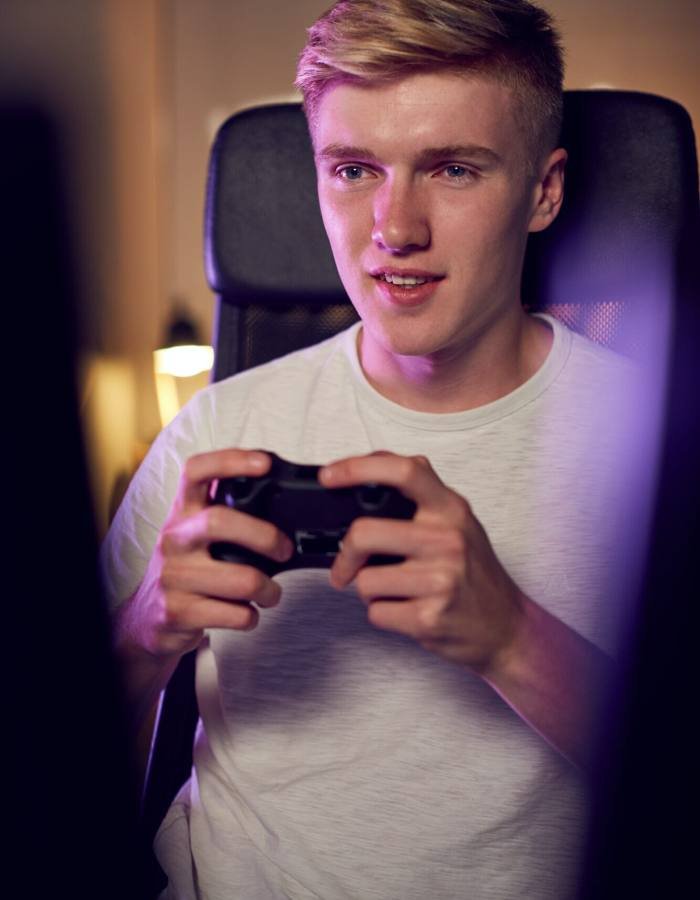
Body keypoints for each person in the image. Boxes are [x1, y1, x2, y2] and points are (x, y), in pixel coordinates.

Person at [103, 1, 653, 897]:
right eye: (355, 169)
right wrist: (145, 632)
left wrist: (511, 636)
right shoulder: (214, 427)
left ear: (545, 191)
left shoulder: (656, 445)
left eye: (453, 169)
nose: (395, 228)